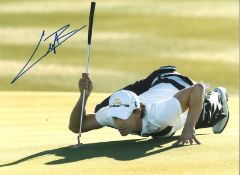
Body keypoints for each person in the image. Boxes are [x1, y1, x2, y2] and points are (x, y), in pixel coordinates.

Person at [69, 66, 229, 146]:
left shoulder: (160, 114)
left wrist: (189, 128)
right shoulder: (110, 116)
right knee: (99, 111)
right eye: (116, 117)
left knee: (198, 115)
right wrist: (84, 95)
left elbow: (198, 89)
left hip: (174, 82)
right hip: (151, 87)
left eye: (123, 117)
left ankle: (218, 97)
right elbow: (77, 126)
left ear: (137, 112)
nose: (118, 123)